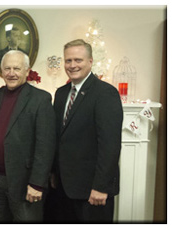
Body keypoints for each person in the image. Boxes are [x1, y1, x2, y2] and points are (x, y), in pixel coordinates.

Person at [51, 39, 123, 223]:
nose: (72, 65)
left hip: (92, 191)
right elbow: (58, 139)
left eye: (78, 60)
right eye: (68, 61)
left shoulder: (105, 93)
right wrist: (53, 173)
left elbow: (110, 145)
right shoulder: (60, 94)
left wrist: (101, 186)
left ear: (90, 61)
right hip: (63, 189)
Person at [0, 50, 55, 222]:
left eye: (17, 68)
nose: (11, 73)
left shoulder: (40, 99)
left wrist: (37, 183)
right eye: (7, 68)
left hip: (25, 183)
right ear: (1, 71)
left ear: (27, 71)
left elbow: (45, 145)